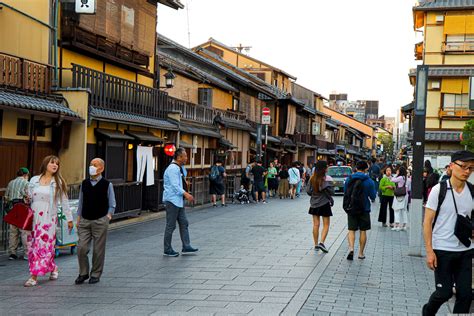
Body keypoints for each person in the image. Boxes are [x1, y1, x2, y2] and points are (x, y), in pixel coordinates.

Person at [422, 150, 474, 315]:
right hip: (442, 249)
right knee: (443, 293)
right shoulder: (439, 190)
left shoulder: (472, 191)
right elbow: (427, 222)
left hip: (465, 250)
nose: (467, 171)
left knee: (466, 295)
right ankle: (428, 311)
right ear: (452, 166)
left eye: (471, 168)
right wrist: (429, 251)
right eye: (464, 167)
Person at [24, 156, 73, 287]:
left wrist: (69, 219)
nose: (55, 165)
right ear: (45, 164)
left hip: (48, 219)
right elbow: (28, 198)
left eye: (57, 164)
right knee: (32, 246)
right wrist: (26, 199)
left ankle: (33, 276)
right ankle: (53, 267)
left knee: (43, 246)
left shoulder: (58, 182)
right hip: (33, 217)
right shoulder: (34, 180)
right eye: (52, 163)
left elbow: (64, 201)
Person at [75, 158, 116, 285]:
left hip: (100, 220)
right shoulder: (84, 183)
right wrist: (78, 217)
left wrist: (108, 216)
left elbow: (112, 203)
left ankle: (95, 273)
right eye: (91, 164)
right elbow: (81, 201)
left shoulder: (107, 184)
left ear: (101, 168)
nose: (91, 167)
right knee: (81, 248)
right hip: (85, 220)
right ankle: (83, 272)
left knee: (98, 250)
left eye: (95, 165)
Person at [162, 148, 198, 257]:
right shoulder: (173, 168)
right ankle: (167, 249)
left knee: (184, 222)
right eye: (185, 156)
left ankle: (186, 246)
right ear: (178, 157)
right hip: (172, 200)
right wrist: (186, 194)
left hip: (178, 200)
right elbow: (174, 185)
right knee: (170, 225)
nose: (186, 158)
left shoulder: (178, 167)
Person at [343, 160, 377, 261]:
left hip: (352, 207)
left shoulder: (349, 179)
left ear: (356, 168)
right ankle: (361, 253)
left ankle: (351, 248)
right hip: (364, 208)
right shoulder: (369, 180)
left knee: (351, 230)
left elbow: (346, 192)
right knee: (363, 230)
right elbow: (373, 196)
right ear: (366, 169)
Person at [307, 161, 334, 253]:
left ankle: (315, 245)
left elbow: (308, 191)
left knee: (316, 224)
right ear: (324, 169)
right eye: (326, 167)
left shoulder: (312, 178)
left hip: (314, 204)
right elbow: (331, 192)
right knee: (326, 225)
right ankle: (322, 242)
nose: (327, 168)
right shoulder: (327, 179)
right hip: (324, 203)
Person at [5, 168, 30, 260]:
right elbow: (28, 196)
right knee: (24, 232)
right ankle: (27, 253)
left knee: (13, 232)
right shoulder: (26, 183)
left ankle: (12, 253)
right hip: (22, 208)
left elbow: (6, 196)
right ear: (25, 174)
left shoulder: (11, 183)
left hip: (12, 208)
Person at [391, 166, 409, 231]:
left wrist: (396, 174)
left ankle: (397, 226)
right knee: (404, 210)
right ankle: (404, 225)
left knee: (397, 210)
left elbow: (392, 180)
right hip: (405, 195)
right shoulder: (406, 177)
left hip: (399, 195)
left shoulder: (400, 177)